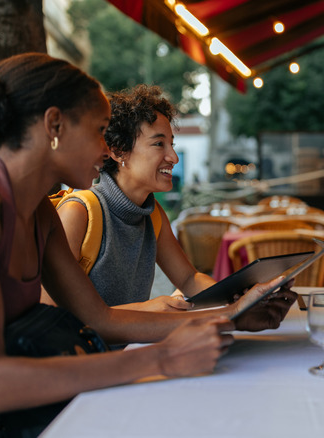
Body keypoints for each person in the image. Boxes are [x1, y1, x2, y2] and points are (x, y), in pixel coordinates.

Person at [0, 53, 294, 437]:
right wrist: (161, 358)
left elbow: (101, 319)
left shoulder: (40, 215)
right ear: (55, 126)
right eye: (100, 130)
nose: (107, 149)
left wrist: (233, 316)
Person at [47, 84, 215, 312]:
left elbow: (188, 279)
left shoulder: (153, 214)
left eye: (171, 144)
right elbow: (48, 312)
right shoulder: (78, 213)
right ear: (117, 152)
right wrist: (145, 311)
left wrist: (239, 297)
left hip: (133, 345)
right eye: (159, 144)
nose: (173, 157)